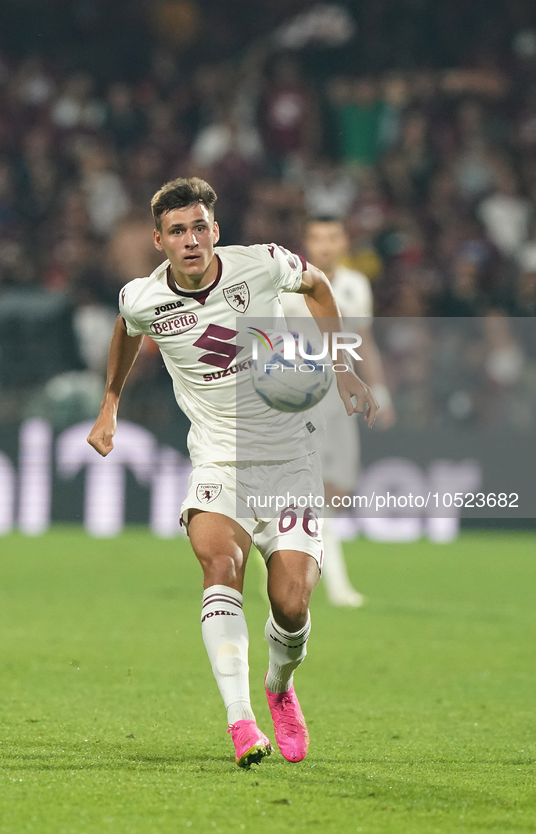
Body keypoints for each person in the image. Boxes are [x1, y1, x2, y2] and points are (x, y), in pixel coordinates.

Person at [87, 178, 378, 768]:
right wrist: (109, 404)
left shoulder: (262, 265)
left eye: (199, 227)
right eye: (177, 231)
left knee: (291, 604)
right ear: (158, 240)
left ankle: (278, 686)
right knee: (220, 565)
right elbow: (125, 329)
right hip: (218, 459)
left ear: (215, 230)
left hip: (291, 459)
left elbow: (318, 287)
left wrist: (343, 368)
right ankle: (241, 721)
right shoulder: (143, 298)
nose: (190, 240)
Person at [282, 218, 395, 606]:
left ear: (344, 241)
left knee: (340, 493)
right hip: (301, 395)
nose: (325, 245)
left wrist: (380, 391)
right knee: (312, 490)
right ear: (307, 241)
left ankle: (280, 547)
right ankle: (335, 584)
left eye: (332, 237)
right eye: (317, 237)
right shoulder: (289, 282)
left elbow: (363, 340)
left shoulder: (355, 286)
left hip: (341, 398)